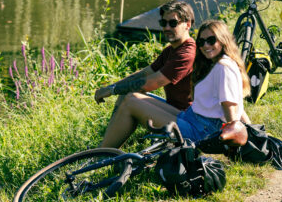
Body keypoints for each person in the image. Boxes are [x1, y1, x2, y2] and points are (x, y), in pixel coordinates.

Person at [99, 19, 251, 148]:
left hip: (201, 132)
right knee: (131, 96)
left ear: (223, 40)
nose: (205, 45)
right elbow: (238, 102)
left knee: (131, 103)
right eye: (201, 41)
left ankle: (100, 156)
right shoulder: (219, 63)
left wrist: (235, 135)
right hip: (192, 117)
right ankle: (104, 149)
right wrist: (251, 128)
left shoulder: (223, 67)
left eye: (211, 40)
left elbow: (230, 106)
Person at [94, 0, 197, 130]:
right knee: (126, 92)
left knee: (131, 95)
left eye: (172, 23)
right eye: (163, 23)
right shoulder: (171, 51)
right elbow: (144, 73)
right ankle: (107, 141)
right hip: (173, 109)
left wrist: (111, 91)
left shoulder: (187, 53)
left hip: (187, 118)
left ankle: (105, 149)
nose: (166, 28)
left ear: (187, 24)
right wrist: (112, 86)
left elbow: (151, 83)